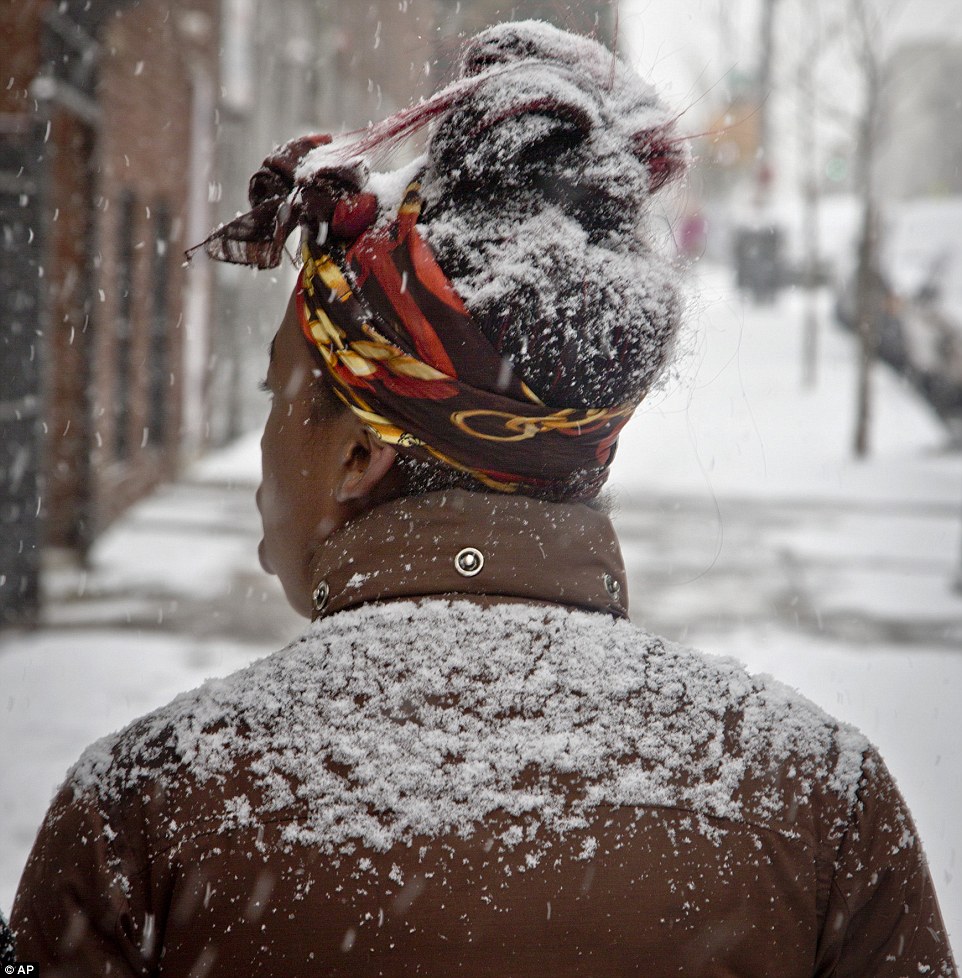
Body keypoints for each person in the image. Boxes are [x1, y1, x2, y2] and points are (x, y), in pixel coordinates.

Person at [11, 20, 957, 978]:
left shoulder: (154, 807)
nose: (263, 451)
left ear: (358, 454)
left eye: (278, 397)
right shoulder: (818, 802)